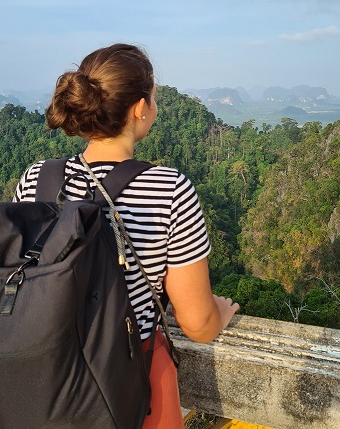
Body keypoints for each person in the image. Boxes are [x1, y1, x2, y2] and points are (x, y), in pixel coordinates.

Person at [13, 43, 240, 428]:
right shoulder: (169, 189)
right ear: (139, 108)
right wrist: (222, 310)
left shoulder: (37, 178)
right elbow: (198, 325)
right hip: (127, 387)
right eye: (153, 98)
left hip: (36, 383)